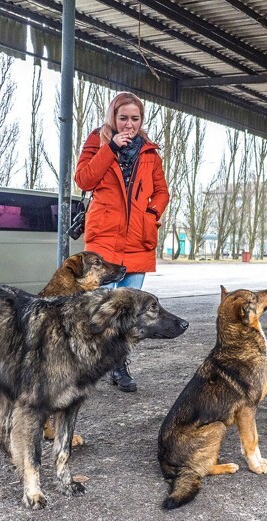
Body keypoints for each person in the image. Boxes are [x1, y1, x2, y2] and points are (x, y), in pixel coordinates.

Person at [74, 91, 169, 393]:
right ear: (113, 118)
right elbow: (84, 179)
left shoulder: (150, 152)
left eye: (135, 118)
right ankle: (85, 362)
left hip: (138, 238)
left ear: (142, 120)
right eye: (123, 117)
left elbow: (162, 192)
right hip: (104, 236)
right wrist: (110, 150)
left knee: (129, 308)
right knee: (97, 305)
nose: (129, 124)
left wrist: (150, 214)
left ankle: (118, 364)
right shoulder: (97, 141)